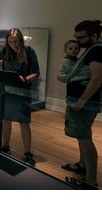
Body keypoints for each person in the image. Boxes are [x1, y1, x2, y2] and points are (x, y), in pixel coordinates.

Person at [0, 28, 40, 166]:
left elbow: (36, 72)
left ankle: (27, 152)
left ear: (21, 40)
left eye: (16, 41)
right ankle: (6, 146)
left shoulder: (29, 51)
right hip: (7, 90)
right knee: (6, 119)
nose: (13, 44)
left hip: (23, 91)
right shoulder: (5, 51)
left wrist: (25, 79)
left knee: (24, 122)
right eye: (10, 42)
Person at [60, 20, 102, 190]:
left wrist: (81, 102)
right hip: (81, 102)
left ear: (94, 36)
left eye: (81, 38)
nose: (77, 42)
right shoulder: (92, 50)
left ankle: (90, 182)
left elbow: (97, 79)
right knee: (81, 135)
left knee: (85, 138)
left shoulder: (96, 50)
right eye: (75, 37)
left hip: (84, 104)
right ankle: (82, 165)